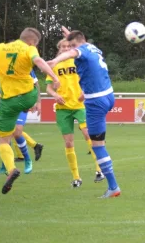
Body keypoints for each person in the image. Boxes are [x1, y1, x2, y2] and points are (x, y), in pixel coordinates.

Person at [0, 27, 60, 194]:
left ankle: (11, 169)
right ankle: (30, 151)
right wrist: (54, 77)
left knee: (3, 140)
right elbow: (39, 61)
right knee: (16, 130)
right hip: (28, 96)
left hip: (8, 102)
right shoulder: (29, 48)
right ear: (33, 42)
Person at [47, 27, 120, 198]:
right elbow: (79, 44)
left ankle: (113, 187)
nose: (69, 49)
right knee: (96, 141)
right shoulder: (93, 48)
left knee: (97, 146)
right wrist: (69, 36)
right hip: (109, 96)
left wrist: (55, 60)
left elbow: (71, 53)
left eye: (70, 45)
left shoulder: (78, 51)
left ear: (74, 45)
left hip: (95, 102)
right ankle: (110, 183)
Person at [46, 38, 105, 187]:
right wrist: (55, 95)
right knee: (68, 142)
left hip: (80, 105)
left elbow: (89, 78)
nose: (66, 48)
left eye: (68, 46)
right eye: (63, 46)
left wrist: (84, 92)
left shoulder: (78, 61)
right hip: (63, 108)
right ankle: (76, 177)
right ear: (59, 48)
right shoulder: (54, 64)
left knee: (88, 134)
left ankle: (99, 170)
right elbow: (48, 88)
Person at [0, 71, 44, 175]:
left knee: (17, 131)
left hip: (22, 103)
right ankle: (6, 166)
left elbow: (36, 84)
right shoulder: (1, 64)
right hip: (6, 104)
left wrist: (38, 102)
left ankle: (28, 160)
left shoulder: (24, 64)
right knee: (3, 136)